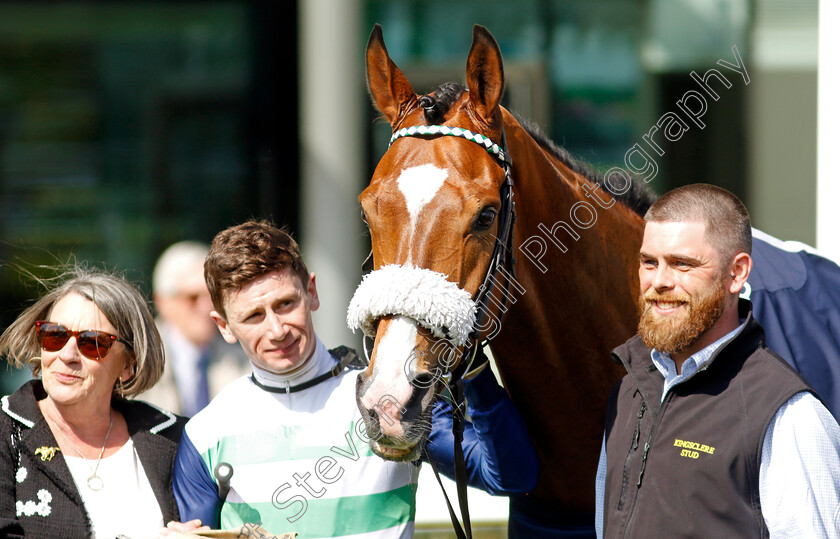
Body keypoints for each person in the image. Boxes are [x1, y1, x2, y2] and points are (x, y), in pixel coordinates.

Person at [168, 219, 538, 538]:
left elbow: (511, 478)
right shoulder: (205, 433)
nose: (277, 329)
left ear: (311, 292)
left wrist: (473, 368)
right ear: (224, 326)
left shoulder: (388, 397)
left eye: (285, 304)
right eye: (253, 317)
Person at [595, 184, 840, 538]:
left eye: (682, 264)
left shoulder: (788, 414)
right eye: (649, 262)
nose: (659, 281)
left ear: (737, 273)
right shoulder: (627, 391)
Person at [0, 265, 188, 538]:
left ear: (128, 365)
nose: (67, 355)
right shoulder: (6, 432)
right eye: (54, 335)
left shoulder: (175, 439)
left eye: (92, 343)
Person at [139, 241, 249, 416]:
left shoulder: (243, 356)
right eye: (193, 297)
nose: (206, 307)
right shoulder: (138, 362)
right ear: (163, 302)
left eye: (212, 296)